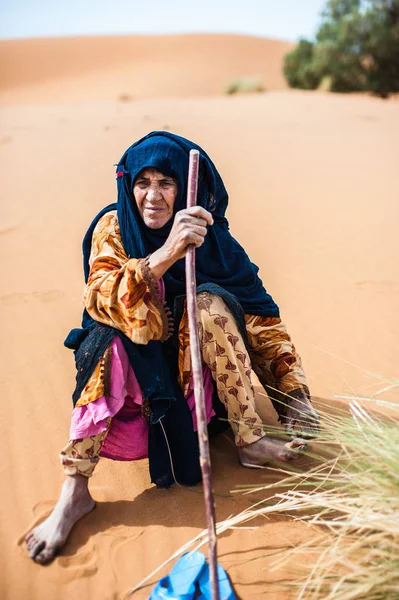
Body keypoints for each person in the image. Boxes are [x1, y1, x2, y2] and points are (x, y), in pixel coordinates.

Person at [25, 132, 319, 564]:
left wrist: (295, 397)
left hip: (195, 384)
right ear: (130, 186)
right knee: (109, 339)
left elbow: (260, 321)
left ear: (186, 187)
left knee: (211, 305)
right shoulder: (115, 225)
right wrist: (164, 255)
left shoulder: (213, 238)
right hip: (134, 382)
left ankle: (249, 439)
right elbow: (100, 296)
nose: (153, 196)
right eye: (143, 182)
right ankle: (75, 490)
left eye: (166, 182)